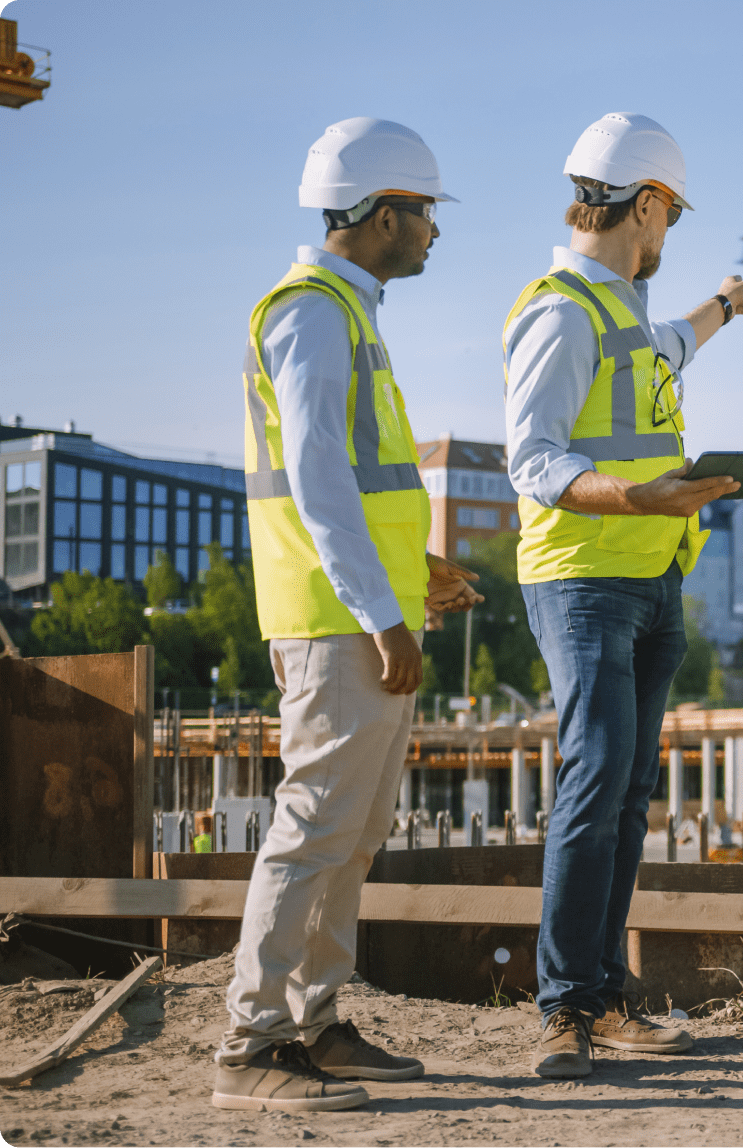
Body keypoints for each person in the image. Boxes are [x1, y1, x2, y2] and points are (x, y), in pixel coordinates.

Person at [215, 117, 483, 1113]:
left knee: (353, 829)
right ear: (377, 215)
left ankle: (316, 1019)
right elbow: (318, 481)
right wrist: (385, 612)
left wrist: (418, 566)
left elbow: (354, 485)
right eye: (422, 213)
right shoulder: (314, 312)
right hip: (336, 620)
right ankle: (251, 1042)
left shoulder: (346, 312)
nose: (432, 232)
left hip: (358, 606)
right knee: (315, 825)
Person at [503, 112, 743, 1079]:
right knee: (595, 780)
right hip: (582, 580)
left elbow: (670, 345)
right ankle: (564, 1008)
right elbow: (531, 459)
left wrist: (723, 308)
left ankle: (605, 995)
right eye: (671, 218)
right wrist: (642, 496)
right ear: (645, 205)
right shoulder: (563, 310)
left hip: (651, 580)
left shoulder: (620, 311)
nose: (669, 236)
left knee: (626, 791)